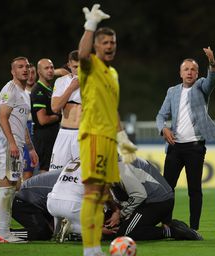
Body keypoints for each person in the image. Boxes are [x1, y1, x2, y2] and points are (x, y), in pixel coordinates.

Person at [77, 4, 137, 256]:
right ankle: (90, 250)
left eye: (113, 42)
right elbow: (81, 53)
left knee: (102, 195)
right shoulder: (89, 64)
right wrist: (90, 26)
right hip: (93, 134)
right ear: (97, 46)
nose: (110, 46)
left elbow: (113, 109)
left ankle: (95, 249)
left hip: (109, 139)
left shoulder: (113, 73)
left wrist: (122, 137)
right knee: (92, 192)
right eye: (106, 43)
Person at [156, 47, 215, 231]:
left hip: (194, 147)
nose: (189, 72)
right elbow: (161, 115)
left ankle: (194, 228)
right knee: (166, 190)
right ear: (180, 73)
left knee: (194, 190)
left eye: (193, 69)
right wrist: (163, 128)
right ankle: (166, 224)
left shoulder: (201, 86)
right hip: (174, 147)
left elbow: (212, 80)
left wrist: (212, 62)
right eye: (186, 69)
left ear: (198, 73)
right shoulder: (172, 91)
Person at [0, 57, 39, 243]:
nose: (25, 70)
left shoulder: (24, 92)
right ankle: (4, 233)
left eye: (27, 66)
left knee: (15, 187)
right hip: (7, 145)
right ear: (13, 71)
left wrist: (30, 148)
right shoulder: (10, 90)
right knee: (7, 190)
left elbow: (23, 124)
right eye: (20, 67)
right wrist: (11, 144)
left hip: (17, 146)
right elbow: (2, 117)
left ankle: (3, 231)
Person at [105, 157, 203, 241]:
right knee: (111, 227)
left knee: (126, 232)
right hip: (156, 200)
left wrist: (121, 215)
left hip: (156, 202)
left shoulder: (120, 167)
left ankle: (171, 231)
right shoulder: (121, 161)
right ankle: (173, 225)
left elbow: (139, 195)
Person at [49, 50, 81, 172]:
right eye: (75, 67)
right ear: (69, 65)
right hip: (64, 134)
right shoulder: (61, 82)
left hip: (84, 135)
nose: (79, 70)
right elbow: (55, 107)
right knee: (54, 174)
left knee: (85, 178)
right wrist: (71, 88)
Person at [11, 169, 61, 241]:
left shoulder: (69, 174)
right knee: (42, 232)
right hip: (23, 200)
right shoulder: (69, 181)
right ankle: (3, 233)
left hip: (36, 202)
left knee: (51, 231)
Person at [30, 58, 61, 173]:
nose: (50, 70)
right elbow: (42, 120)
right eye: (46, 68)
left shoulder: (49, 89)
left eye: (52, 67)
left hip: (51, 136)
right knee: (46, 172)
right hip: (44, 138)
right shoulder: (39, 90)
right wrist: (58, 117)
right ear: (39, 72)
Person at [47, 157, 84, 242]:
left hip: (51, 203)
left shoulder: (75, 159)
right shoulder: (97, 162)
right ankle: (71, 228)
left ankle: (56, 232)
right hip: (71, 205)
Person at [23, 63, 37, 180]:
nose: (31, 76)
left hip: (40, 132)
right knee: (26, 172)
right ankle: (21, 197)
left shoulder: (41, 90)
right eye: (28, 73)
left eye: (33, 73)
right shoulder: (19, 92)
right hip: (25, 132)